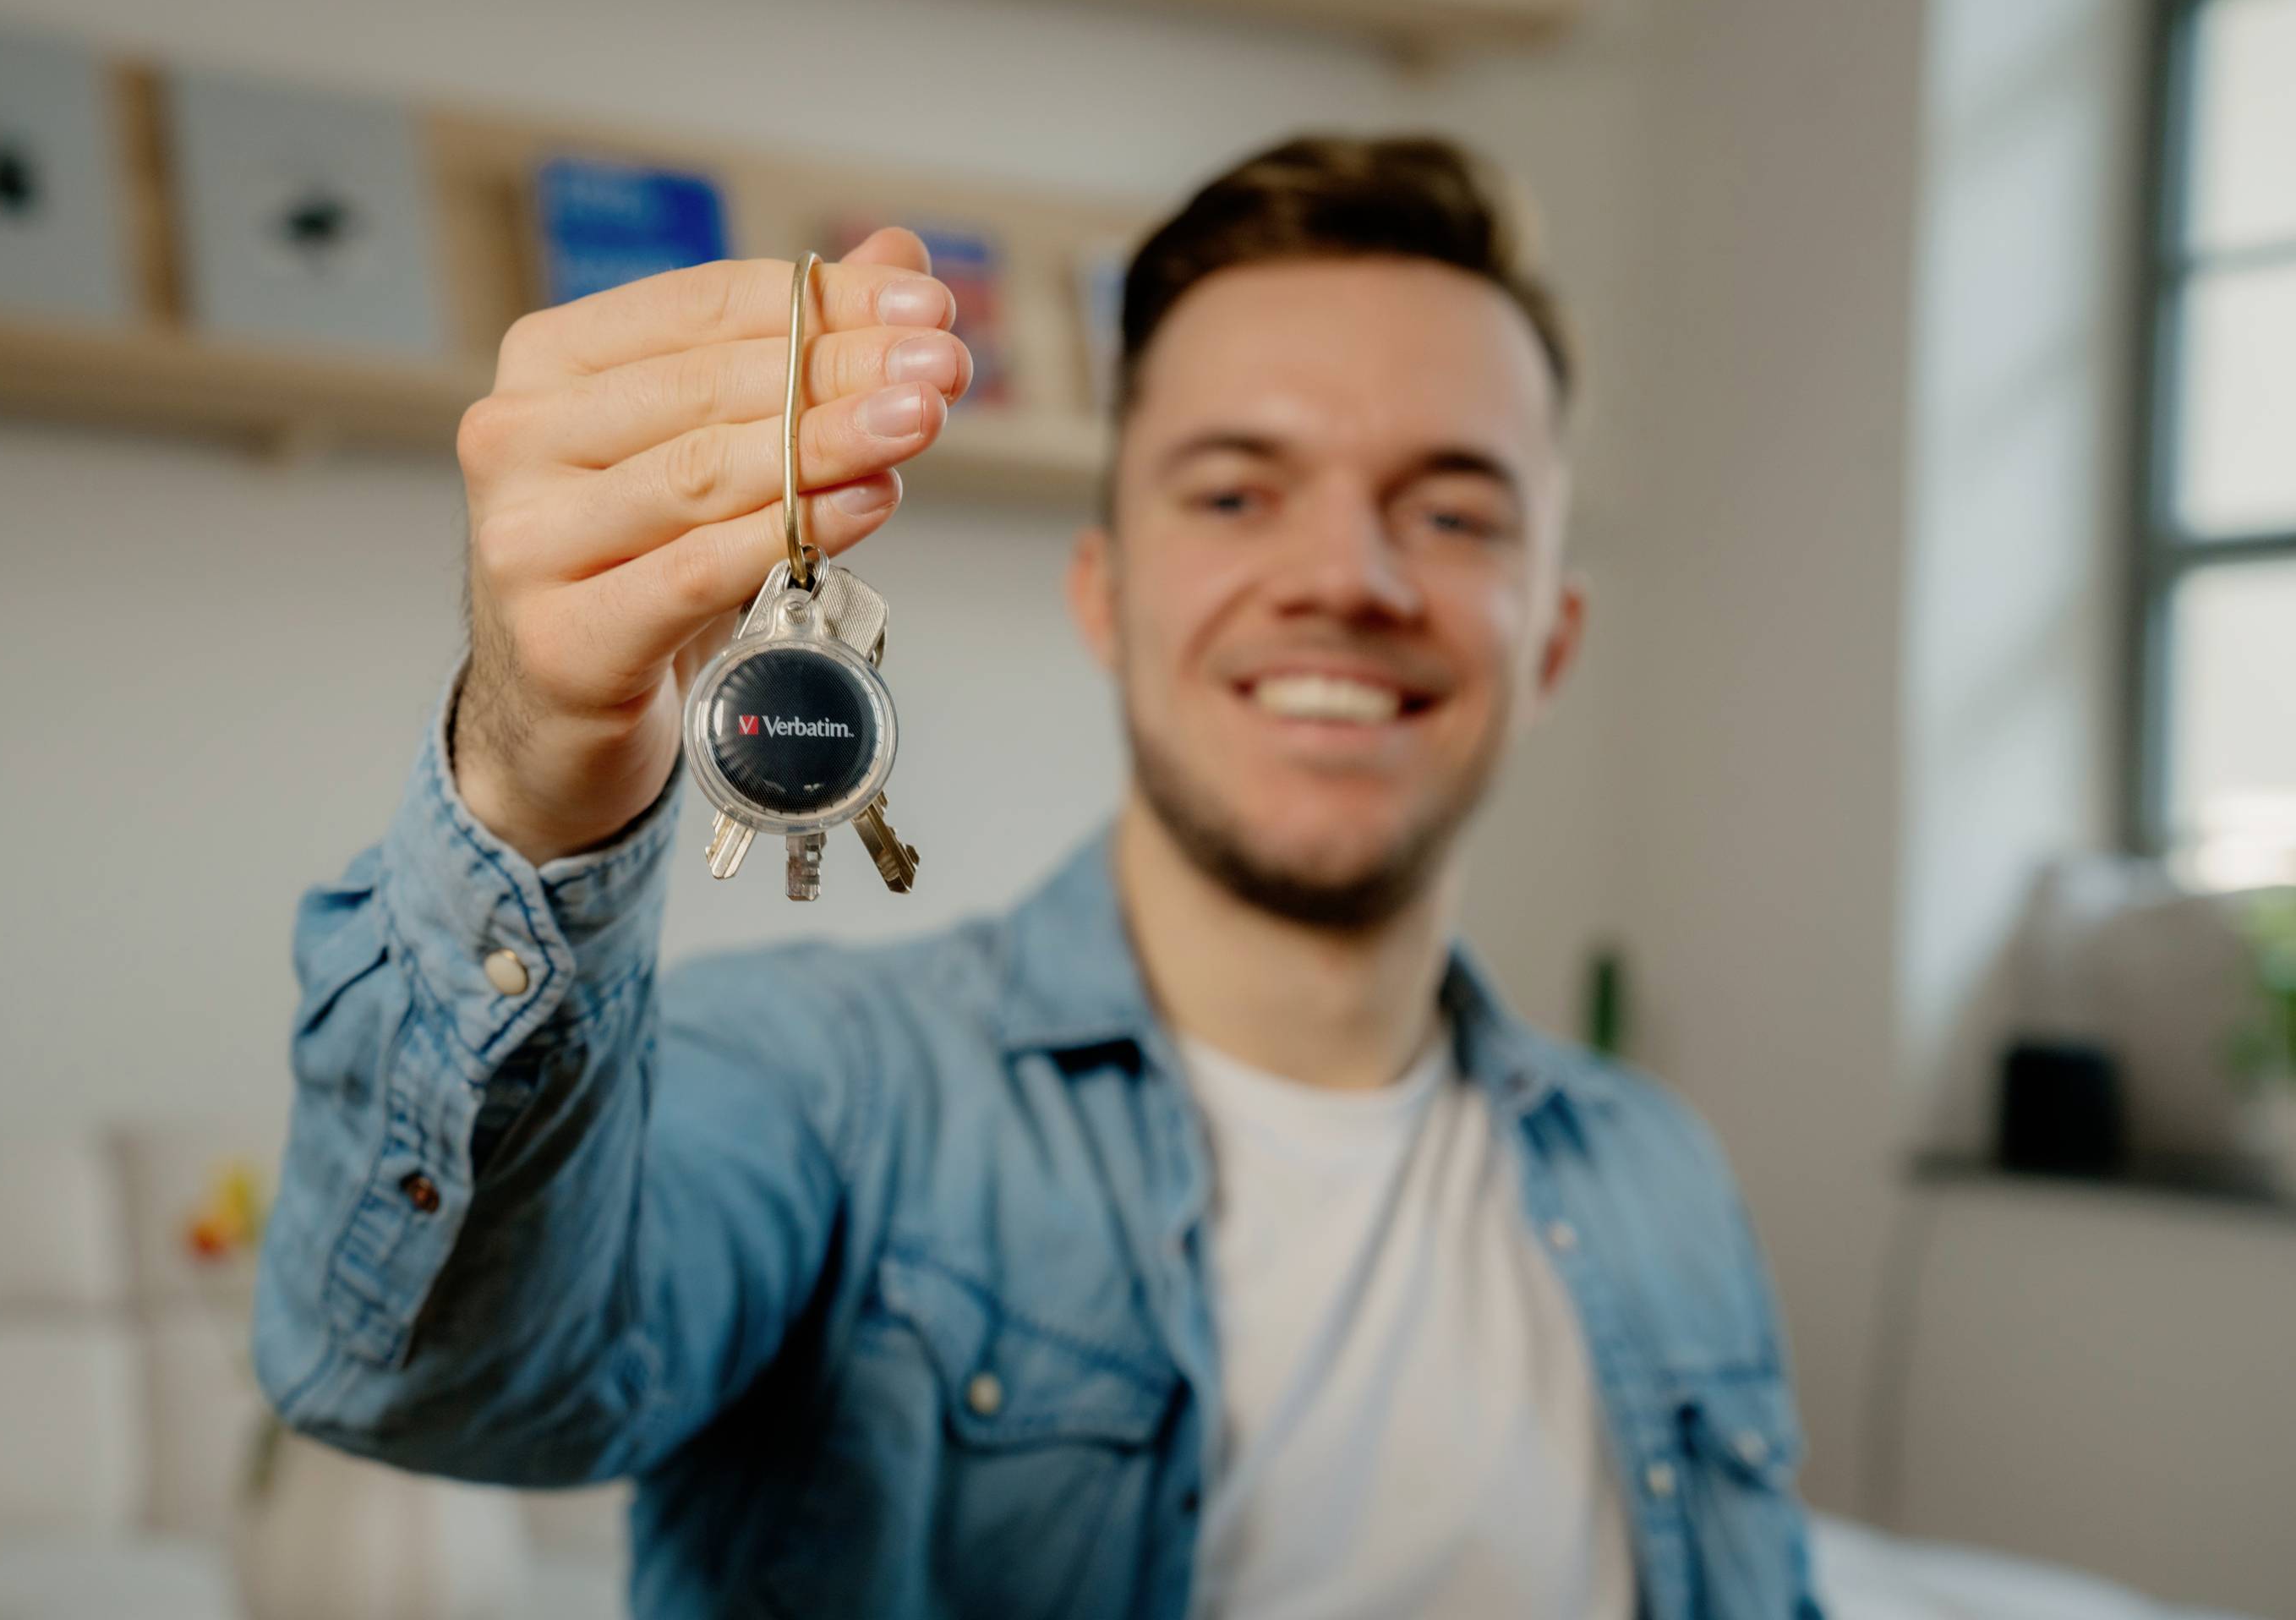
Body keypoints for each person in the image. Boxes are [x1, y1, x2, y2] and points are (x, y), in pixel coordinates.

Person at [254, 134, 1823, 1620]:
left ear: (1550, 638)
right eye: (1235, 492)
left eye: (1455, 508)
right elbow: (428, 1376)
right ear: (1106, 593)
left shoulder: (1663, 1180)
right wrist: (534, 779)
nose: (1349, 577)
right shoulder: (822, 1092)